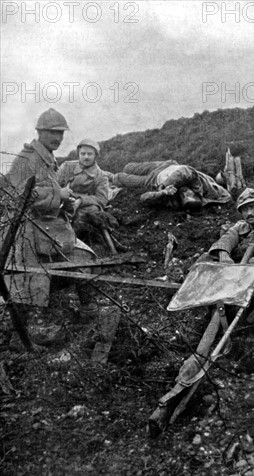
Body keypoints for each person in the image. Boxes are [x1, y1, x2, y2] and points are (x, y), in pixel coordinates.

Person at [2, 108, 98, 349]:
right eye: (52, 133)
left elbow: (43, 195)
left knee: (83, 256)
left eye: (61, 134)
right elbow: (17, 196)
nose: (58, 138)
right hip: (26, 233)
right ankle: (26, 332)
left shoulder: (48, 159)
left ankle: (89, 312)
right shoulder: (27, 159)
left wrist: (67, 202)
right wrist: (59, 194)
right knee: (31, 279)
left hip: (48, 228)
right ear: (40, 132)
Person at [202, 187, 254, 323]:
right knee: (206, 259)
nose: (249, 213)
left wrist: (238, 271)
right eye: (245, 210)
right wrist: (224, 254)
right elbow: (226, 239)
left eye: (253, 207)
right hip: (235, 276)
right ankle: (211, 310)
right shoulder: (241, 227)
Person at [112, 160, 231, 210]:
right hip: (167, 165)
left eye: (184, 196)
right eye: (189, 194)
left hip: (152, 179)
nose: (185, 193)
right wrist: (165, 184)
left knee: (118, 178)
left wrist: (161, 192)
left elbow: (143, 198)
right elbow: (185, 171)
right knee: (128, 167)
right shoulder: (197, 185)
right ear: (196, 195)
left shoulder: (172, 197)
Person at [57, 138, 109, 238]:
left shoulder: (101, 176)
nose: (86, 157)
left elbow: (101, 199)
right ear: (78, 154)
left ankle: (75, 235)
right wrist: (62, 194)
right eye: (83, 154)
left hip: (84, 207)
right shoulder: (67, 167)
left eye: (89, 154)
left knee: (94, 210)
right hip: (63, 201)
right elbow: (54, 184)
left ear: (95, 156)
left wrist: (80, 201)